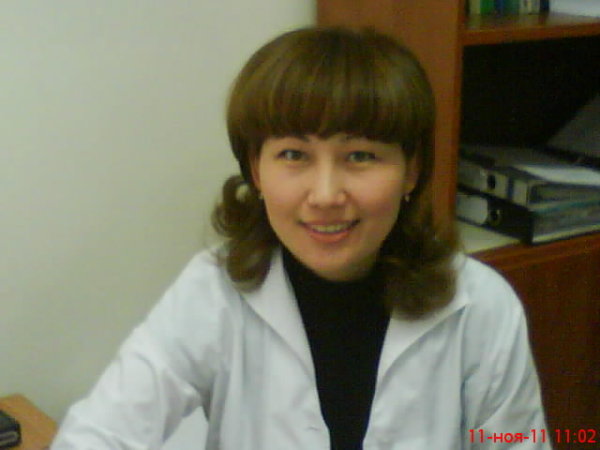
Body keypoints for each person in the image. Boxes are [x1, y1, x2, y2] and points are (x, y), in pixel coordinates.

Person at [51, 26, 549, 449]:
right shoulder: (213, 292)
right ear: (256, 170)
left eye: (360, 156)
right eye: (294, 155)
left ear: (411, 171)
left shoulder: (482, 308)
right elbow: (97, 435)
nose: (326, 195)